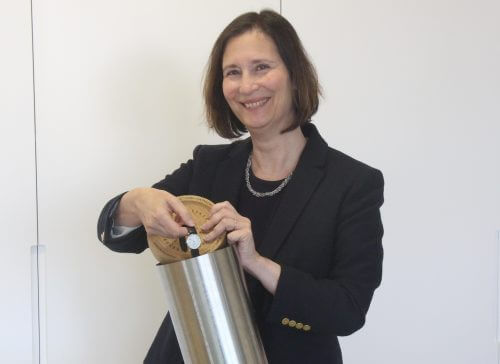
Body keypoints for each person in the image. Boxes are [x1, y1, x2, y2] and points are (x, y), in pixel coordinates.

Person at [97, 9, 384, 364]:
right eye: (233, 72)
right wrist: (138, 200)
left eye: (261, 67)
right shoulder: (208, 166)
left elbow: (348, 310)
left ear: (294, 75)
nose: (246, 86)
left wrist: (257, 263)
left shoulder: (353, 183)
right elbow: (121, 231)